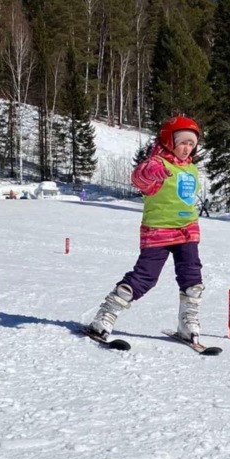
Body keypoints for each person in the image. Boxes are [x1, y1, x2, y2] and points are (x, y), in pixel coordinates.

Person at [86, 115, 205, 344]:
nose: (187, 148)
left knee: (192, 278)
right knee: (145, 278)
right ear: (170, 142)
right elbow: (139, 178)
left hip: (187, 230)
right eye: (182, 142)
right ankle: (105, 316)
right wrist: (147, 172)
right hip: (158, 230)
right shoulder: (157, 163)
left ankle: (186, 322)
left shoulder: (190, 167)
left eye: (191, 144)